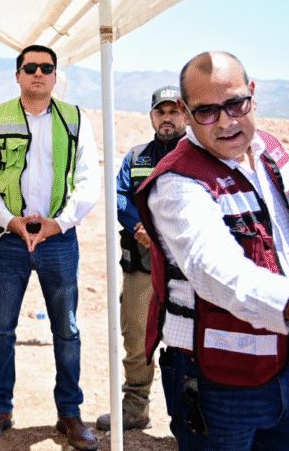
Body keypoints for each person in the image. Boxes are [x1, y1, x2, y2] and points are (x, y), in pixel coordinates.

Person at [136, 51, 289, 451]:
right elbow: (212, 266)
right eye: (207, 112)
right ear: (184, 111)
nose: (227, 121)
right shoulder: (178, 183)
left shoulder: (269, 152)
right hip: (215, 385)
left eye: (235, 104)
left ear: (253, 94)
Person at [0, 45, 101, 450]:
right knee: (1, 329)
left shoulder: (75, 119)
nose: (39, 73)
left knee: (67, 329)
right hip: (9, 238)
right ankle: (0, 409)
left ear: (55, 75)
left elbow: (87, 179)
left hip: (58, 240)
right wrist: (9, 220)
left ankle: (69, 413)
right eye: (31, 67)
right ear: (18, 75)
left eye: (47, 68)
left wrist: (56, 224)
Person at [96, 85, 186, 432]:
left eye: (174, 111)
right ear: (151, 116)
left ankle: (189, 413)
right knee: (135, 336)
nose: (167, 118)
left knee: (187, 338)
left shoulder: (199, 155)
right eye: (160, 112)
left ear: (186, 115)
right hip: (141, 266)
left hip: (186, 270)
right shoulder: (136, 158)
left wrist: (163, 235)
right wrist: (140, 226)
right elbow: (120, 197)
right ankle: (135, 407)